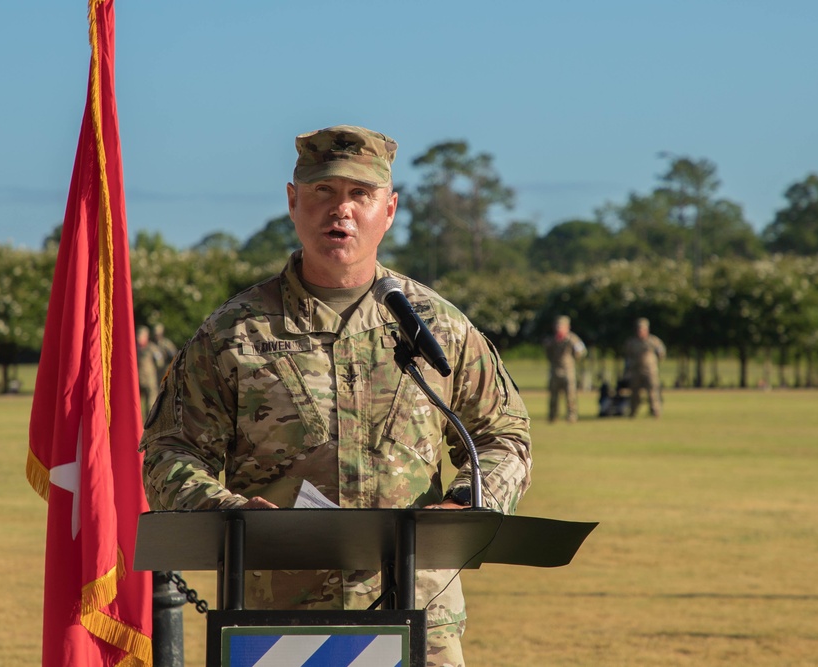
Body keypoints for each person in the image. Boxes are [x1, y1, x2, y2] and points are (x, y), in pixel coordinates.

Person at [140, 124, 533, 667]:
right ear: (292, 201)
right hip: (281, 622)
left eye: (360, 195)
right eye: (323, 192)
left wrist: (468, 504)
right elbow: (169, 452)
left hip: (420, 617)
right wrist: (230, 514)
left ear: (389, 210)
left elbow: (504, 436)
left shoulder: (438, 327)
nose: (340, 210)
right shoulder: (234, 334)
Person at [542, 315, 587, 423]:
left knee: (570, 396)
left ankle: (571, 417)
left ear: (567, 327)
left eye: (561, 326)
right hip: (555, 371)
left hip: (568, 371)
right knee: (553, 396)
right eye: (557, 326)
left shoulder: (573, 339)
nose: (559, 328)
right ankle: (553, 417)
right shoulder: (552, 340)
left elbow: (581, 352)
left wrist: (575, 355)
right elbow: (548, 353)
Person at [622, 317, 666, 417]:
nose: (640, 331)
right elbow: (627, 355)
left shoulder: (654, 341)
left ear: (647, 329)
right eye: (638, 329)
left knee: (653, 392)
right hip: (636, 371)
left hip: (650, 371)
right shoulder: (631, 342)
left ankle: (655, 412)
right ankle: (633, 412)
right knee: (634, 393)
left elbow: (661, 353)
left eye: (642, 329)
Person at [136, 324, 163, 418]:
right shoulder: (135, 348)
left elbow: (160, 362)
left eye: (141, 335)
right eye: (138, 335)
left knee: (150, 402)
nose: (139, 337)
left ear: (146, 336)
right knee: (137, 403)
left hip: (149, 379)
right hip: (138, 379)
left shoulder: (152, 348)